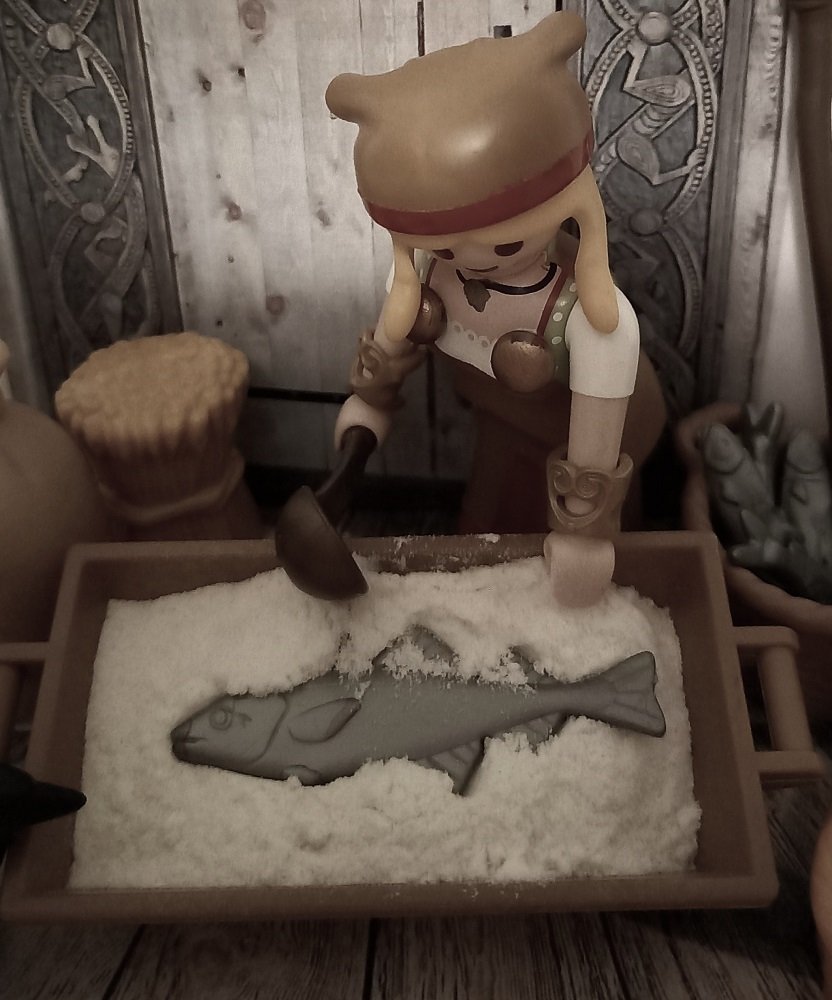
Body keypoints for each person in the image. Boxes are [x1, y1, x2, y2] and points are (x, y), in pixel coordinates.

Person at [325, 11, 666, 607]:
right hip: (499, 425)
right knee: (487, 525)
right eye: (444, 246)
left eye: (505, 244)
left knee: (571, 574)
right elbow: (384, 362)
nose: (471, 261)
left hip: (595, 437)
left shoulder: (589, 319)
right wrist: (363, 418)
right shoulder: (426, 270)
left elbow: (594, 456)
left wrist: (584, 535)